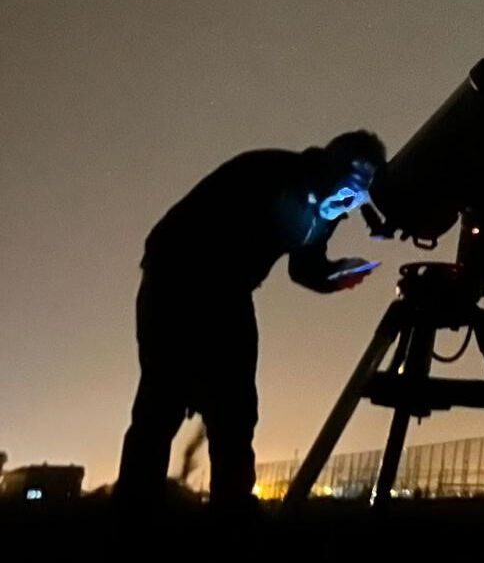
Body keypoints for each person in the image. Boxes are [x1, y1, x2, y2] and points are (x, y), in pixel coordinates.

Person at [115, 130, 387, 510]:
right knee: (162, 402)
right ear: (332, 167)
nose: (346, 208)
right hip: (176, 280)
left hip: (230, 292)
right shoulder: (268, 173)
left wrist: (336, 273)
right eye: (348, 194)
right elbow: (211, 239)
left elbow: (304, 268)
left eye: (356, 200)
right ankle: (135, 511)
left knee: (236, 411)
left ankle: (232, 510)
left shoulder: (325, 202)